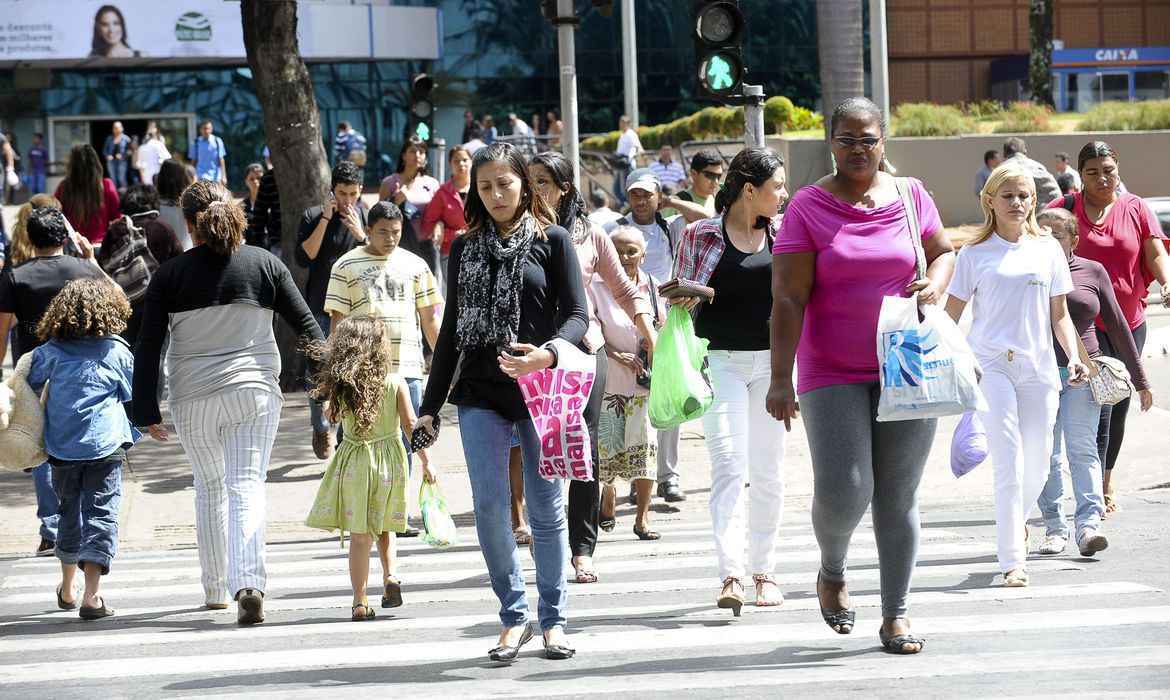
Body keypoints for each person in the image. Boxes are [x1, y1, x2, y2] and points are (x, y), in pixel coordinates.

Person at [769, 97, 955, 654]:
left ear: (883, 141)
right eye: (846, 139)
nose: (857, 149)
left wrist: (939, 281)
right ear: (831, 141)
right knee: (846, 489)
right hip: (831, 367)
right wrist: (781, 377)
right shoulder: (807, 207)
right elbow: (788, 296)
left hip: (905, 360)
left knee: (898, 494)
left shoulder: (910, 194)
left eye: (867, 139)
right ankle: (832, 569)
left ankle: (895, 614)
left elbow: (942, 251)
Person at [417, 142, 588, 662]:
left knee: (546, 508)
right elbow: (450, 334)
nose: (495, 194)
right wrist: (429, 405)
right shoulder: (464, 247)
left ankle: (553, 619)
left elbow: (579, 315)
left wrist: (548, 354)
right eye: (484, 187)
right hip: (479, 393)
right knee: (491, 509)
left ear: (525, 184)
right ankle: (513, 616)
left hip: (542, 390)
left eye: (505, 184)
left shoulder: (554, 240)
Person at [132, 181, 324, 624]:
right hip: (254, 392)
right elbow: (309, 330)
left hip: (193, 397)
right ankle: (249, 583)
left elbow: (149, 345)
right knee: (246, 486)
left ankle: (216, 589)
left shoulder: (170, 275)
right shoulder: (265, 264)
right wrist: (331, 385)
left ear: (188, 223)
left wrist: (145, 409)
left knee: (210, 487)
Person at [945, 162, 1088, 588]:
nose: (1017, 203)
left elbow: (1059, 315)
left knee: (1040, 462)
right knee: (1008, 461)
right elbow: (951, 316)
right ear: (990, 200)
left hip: (1040, 368)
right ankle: (1012, 559)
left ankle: (1016, 524)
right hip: (991, 367)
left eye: (1024, 196)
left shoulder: (1047, 250)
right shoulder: (972, 254)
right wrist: (957, 358)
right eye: (1008, 196)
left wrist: (1075, 356)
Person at [671, 147, 790, 614]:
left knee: (769, 471)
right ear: (748, 190)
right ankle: (731, 574)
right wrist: (691, 295)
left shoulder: (784, 235)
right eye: (776, 186)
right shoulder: (701, 234)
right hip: (719, 362)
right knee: (727, 466)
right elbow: (676, 298)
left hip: (774, 367)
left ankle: (765, 571)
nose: (782, 195)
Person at [530, 150, 657, 584]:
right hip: (534, 356)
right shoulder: (517, 232)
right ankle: (545, 535)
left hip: (585, 351)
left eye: (543, 182)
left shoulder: (590, 236)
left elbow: (624, 291)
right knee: (540, 448)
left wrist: (649, 334)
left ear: (565, 187)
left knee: (585, 447)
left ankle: (582, 549)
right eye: (530, 181)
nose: (535, 190)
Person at [1048, 140, 1170, 513]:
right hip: (1081, 325)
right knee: (1092, 407)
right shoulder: (1064, 209)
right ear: (1080, 177)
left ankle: (1105, 477)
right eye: (1093, 173)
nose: (1103, 179)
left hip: (1127, 322)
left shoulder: (1135, 208)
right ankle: (1091, 486)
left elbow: (1154, 251)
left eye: (1109, 171)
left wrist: (1166, 282)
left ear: (1118, 170)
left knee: (1117, 405)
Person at [1034, 208, 1150, 558]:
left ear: (1074, 240)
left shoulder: (1091, 271)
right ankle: (1054, 527)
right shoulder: (1027, 272)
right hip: (1038, 375)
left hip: (1083, 372)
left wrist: (1141, 379)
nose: (1049, 241)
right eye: (1042, 234)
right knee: (1047, 455)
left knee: (1082, 448)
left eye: (1056, 235)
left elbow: (1117, 324)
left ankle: (1088, 526)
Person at [305, 316, 436, 620]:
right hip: (390, 462)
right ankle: (390, 577)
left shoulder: (343, 386)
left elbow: (333, 417)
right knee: (386, 525)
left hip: (354, 463)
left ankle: (359, 601)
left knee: (360, 536)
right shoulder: (394, 382)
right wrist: (427, 462)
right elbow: (410, 426)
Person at [28, 278, 142, 619]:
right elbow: (129, 394)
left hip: (61, 448)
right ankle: (92, 596)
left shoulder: (49, 351)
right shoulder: (117, 350)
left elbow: (28, 387)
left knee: (68, 511)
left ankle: (67, 588)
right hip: (105, 446)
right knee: (102, 514)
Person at [0, 208, 106, 558]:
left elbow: (1, 332)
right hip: (79, 367)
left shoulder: (14, 276)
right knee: (75, 441)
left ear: (30, 239)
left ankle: (52, 527)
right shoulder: (83, 270)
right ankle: (76, 520)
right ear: (64, 237)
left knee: (37, 444)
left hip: (33, 369)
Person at [324, 201, 442, 458]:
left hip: (408, 370)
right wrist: (334, 379)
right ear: (368, 229)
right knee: (360, 446)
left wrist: (447, 366)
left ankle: (400, 498)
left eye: (396, 232)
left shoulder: (417, 265)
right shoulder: (345, 266)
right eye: (383, 232)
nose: (391, 238)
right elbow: (338, 325)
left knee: (407, 446)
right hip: (363, 372)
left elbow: (430, 320)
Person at [603, 169, 688, 504]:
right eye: (634, 194)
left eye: (646, 195)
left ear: (657, 197)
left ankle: (668, 476)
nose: (639, 201)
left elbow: (708, 215)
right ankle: (633, 479)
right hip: (622, 324)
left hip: (663, 321)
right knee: (626, 406)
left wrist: (671, 202)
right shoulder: (614, 229)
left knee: (667, 402)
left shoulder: (672, 225)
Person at [594, 227, 666, 540]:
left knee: (646, 450)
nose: (624, 258)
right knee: (608, 452)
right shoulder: (595, 287)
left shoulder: (653, 287)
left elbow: (662, 328)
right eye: (618, 250)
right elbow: (590, 331)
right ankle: (608, 495)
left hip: (644, 386)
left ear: (643, 254)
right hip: (609, 383)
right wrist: (617, 354)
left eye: (631, 251)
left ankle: (642, 518)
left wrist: (653, 347)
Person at [297, 161, 368, 461]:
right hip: (319, 304)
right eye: (342, 193)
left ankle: (343, 436)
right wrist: (326, 218)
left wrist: (361, 234)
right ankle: (320, 425)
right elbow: (306, 256)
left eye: (353, 193)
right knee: (318, 369)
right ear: (332, 191)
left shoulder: (362, 216)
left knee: (351, 370)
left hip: (354, 307)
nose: (347, 200)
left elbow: (374, 255)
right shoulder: (313, 215)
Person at [98, 184, 184, 345]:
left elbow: (103, 266)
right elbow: (178, 266)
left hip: (125, 306)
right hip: (158, 306)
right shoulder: (162, 228)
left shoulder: (114, 231)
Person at [379, 137, 440, 270]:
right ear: (404, 156)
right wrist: (395, 201)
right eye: (412, 151)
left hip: (426, 246)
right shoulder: (389, 182)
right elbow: (378, 217)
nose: (417, 155)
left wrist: (439, 225)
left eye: (421, 152)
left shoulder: (432, 183)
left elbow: (440, 213)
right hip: (399, 246)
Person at [421, 145, 473, 287]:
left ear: (471, 162)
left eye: (465, 160)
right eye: (456, 161)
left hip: (479, 251)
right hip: (451, 253)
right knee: (455, 298)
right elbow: (428, 225)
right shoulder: (442, 193)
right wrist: (451, 234)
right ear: (450, 164)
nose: (461, 164)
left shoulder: (481, 188)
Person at [55, 144, 120, 245]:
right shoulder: (107, 185)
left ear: (71, 166)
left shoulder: (64, 188)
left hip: (74, 248)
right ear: (96, 163)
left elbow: (56, 216)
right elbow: (116, 219)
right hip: (101, 247)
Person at [1002, 137, 1060, 208]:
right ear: (1025, 152)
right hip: (1038, 215)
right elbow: (1055, 195)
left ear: (1004, 154)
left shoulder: (1000, 170)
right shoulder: (1037, 166)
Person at [155, 159, 194, 250]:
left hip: (165, 259)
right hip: (189, 254)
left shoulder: (154, 207)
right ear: (184, 177)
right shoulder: (191, 204)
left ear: (161, 178)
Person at [247, 163, 281, 253]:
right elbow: (260, 216)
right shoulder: (242, 207)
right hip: (277, 241)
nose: (255, 182)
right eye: (252, 179)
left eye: (258, 178)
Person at [613, 115, 642, 207]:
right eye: (620, 122)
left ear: (628, 124)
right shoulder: (622, 134)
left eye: (623, 123)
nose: (621, 125)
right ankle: (625, 205)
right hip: (620, 163)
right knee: (617, 188)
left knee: (629, 188)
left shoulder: (631, 134)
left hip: (627, 164)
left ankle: (629, 206)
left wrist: (628, 158)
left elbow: (635, 147)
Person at [188, 120, 228, 185]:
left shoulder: (217, 141)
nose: (206, 131)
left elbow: (221, 160)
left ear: (211, 129)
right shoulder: (195, 142)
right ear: (200, 130)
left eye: (208, 128)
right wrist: (192, 177)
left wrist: (224, 176)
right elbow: (193, 161)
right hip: (200, 177)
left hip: (215, 177)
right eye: (204, 129)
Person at [103, 122, 132, 191]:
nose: (116, 129)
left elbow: (130, 151)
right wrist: (108, 156)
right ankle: (114, 196)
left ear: (122, 128)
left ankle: (124, 196)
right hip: (111, 162)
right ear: (113, 129)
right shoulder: (109, 138)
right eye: (115, 128)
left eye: (118, 127)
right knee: (113, 179)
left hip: (122, 161)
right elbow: (104, 150)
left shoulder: (126, 139)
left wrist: (123, 155)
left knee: (121, 178)